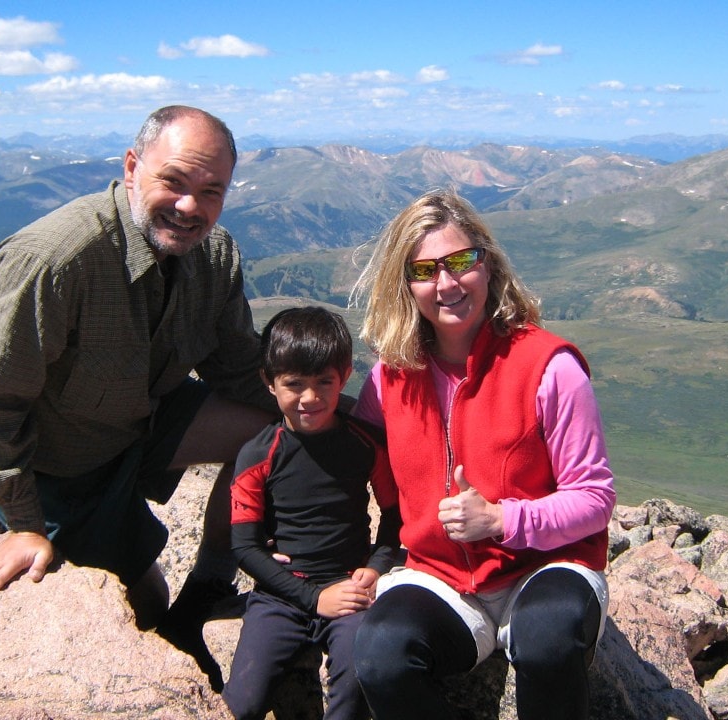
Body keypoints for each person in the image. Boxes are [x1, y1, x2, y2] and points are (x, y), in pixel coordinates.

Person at [0, 105, 277, 683]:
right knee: (140, 603)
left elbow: (236, 368)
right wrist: (23, 524)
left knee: (273, 431)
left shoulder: (215, 254)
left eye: (211, 191)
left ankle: (208, 585)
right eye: (173, 181)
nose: (190, 206)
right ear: (132, 168)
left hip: (144, 424)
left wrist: (347, 414)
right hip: (63, 465)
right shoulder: (57, 260)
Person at [347, 189, 616, 719]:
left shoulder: (548, 366)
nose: (446, 283)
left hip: (545, 567)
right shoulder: (388, 381)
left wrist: (501, 518)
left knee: (548, 639)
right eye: (424, 270)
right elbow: (344, 467)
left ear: (487, 266)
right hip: (439, 577)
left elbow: (595, 498)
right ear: (406, 286)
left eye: (461, 262)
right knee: (380, 655)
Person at [223, 306, 401, 720]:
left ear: (344, 375)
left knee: (356, 687)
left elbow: (394, 515)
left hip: (352, 587)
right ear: (269, 383)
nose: (310, 397)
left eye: (325, 382)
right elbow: (245, 546)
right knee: (242, 703)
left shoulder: (366, 443)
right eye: (294, 384)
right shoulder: (257, 455)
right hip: (282, 596)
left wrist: (376, 567)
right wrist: (312, 596)